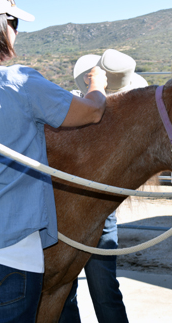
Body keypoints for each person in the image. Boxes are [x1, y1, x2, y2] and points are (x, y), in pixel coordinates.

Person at [0, 0, 107, 322]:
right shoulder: (20, 83)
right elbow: (93, 113)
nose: (16, 31)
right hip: (9, 258)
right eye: (12, 22)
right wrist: (96, 85)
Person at [59, 49, 148, 323]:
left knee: (69, 290)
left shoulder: (74, 112)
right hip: (95, 215)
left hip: (71, 212)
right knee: (102, 289)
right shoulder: (126, 126)